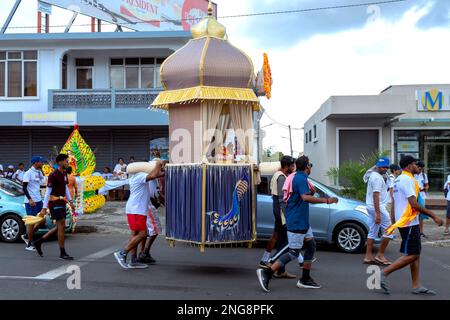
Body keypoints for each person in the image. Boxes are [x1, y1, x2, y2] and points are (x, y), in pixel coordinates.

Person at [256, 156, 338, 292]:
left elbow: (306, 198)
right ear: (307, 167)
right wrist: (327, 201)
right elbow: (305, 197)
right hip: (296, 221)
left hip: (302, 220)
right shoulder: (300, 178)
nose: (311, 167)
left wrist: (313, 194)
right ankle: (267, 272)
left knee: (311, 246)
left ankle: (305, 278)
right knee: (293, 252)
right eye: (310, 165)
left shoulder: (300, 178)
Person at [380, 156, 443, 295]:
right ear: (409, 166)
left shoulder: (398, 180)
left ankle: (416, 285)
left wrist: (393, 222)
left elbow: (395, 203)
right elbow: (413, 204)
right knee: (413, 254)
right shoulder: (407, 180)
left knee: (415, 253)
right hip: (408, 222)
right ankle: (384, 273)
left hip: (405, 221)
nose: (417, 166)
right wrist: (434, 216)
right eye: (415, 164)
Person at [114, 161, 165, 269]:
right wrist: (158, 164)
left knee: (135, 233)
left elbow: (159, 174)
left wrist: (162, 167)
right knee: (143, 234)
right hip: (137, 209)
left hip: (134, 209)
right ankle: (122, 253)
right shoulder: (140, 175)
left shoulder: (136, 176)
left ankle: (133, 260)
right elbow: (154, 175)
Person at [258, 156, 297, 279]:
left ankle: (280, 270)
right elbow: (282, 200)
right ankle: (273, 264)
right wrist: (287, 215)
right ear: (287, 166)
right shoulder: (281, 177)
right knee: (284, 242)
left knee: (280, 240)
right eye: (292, 165)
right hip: (281, 214)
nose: (294, 167)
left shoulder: (279, 175)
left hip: (279, 212)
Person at [33, 154, 75, 260]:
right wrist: (44, 208)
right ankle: (62, 252)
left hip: (62, 202)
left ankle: (39, 242)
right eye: (66, 161)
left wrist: (70, 201)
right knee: (61, 227)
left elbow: (65, 188)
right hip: (54, 203)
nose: (67, 163)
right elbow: (47, 192)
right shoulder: (53, 175)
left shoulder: (64, 173)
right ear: (60, 162)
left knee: (60, 227)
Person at [363, 157, 394, 265]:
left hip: (371, 206)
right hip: (377, 207)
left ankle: (368, 256)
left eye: (386, 167)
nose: (385, 169)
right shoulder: (377, 178)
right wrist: (377, 213)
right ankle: (380, 255)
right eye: (383, 167)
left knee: (373, 230)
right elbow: (376, 196)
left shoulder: (374, 175)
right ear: (378, 167)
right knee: (390, 230)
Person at [138, 173, 165, 264]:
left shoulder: (156, 179)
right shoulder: (150, 177)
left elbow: (158, 192)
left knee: (145, 232)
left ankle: (142, 253)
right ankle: (145, 252)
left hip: (148, 205)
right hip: (148, 205)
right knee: (156, 229)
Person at [21, 157, 46, 251]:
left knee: (42, 220)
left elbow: (43, 182)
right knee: (31, 223)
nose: (42, 163)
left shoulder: (39, 172)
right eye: (40, 162)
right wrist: (30, 199)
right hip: (30, 201)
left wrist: (42, 171)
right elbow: (24, 188)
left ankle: (27, 236)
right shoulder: (28, 173)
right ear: (35, 163)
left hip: (39, 200)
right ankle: (29, 244)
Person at [415, 161, 430, 238]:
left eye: (421, 169)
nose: (420, 170)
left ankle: (421, 231)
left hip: (422, 196)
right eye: (419, 168)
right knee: (413, 214)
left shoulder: (424, 175)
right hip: (413, 197)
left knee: (421, 214)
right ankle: (414, 231)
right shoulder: (412, 175)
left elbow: (427, 185)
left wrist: (426, 188)